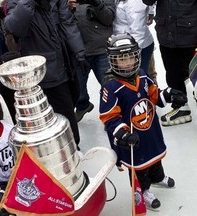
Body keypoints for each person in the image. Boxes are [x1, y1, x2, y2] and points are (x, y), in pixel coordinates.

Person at [99, 34, 188, 209]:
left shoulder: (142, 74)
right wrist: (123, 133)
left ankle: (157, 177)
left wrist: (169, 94)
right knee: (138, 166)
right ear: (113, 61)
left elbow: (154, 94)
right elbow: (109, 117)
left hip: (150, 130)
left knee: (154, 156)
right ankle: (142, 191)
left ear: (137, 56)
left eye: (130, 56)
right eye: (122, 58)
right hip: (133, 137)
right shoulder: (111, 86)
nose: (128, 62)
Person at [4, 0, 87, 149]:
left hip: (65, 67)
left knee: (69, 115)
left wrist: (80, 53)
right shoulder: (17, 2)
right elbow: (14, 28)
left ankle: (75, 149)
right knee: (49, 124)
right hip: (42, 74)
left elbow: (67, 23)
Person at [142, 0, 197, 126]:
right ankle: (181, 106)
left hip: (191, 35)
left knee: (193, 70)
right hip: (166, 35)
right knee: (173, 73)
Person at [68, 0, 116, 123]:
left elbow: (109, 18)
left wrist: (96, 3)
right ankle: (83, 105)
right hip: (78, 49)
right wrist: (69, 9)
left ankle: (112, 116)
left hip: (101, 50)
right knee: (77, 88)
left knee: (109, 87)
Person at [113, 0, 154, 75]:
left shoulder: (135, 2)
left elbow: (138, 31)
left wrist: (131, 52)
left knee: (140, 77)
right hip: (123, 44)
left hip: (137, 46)